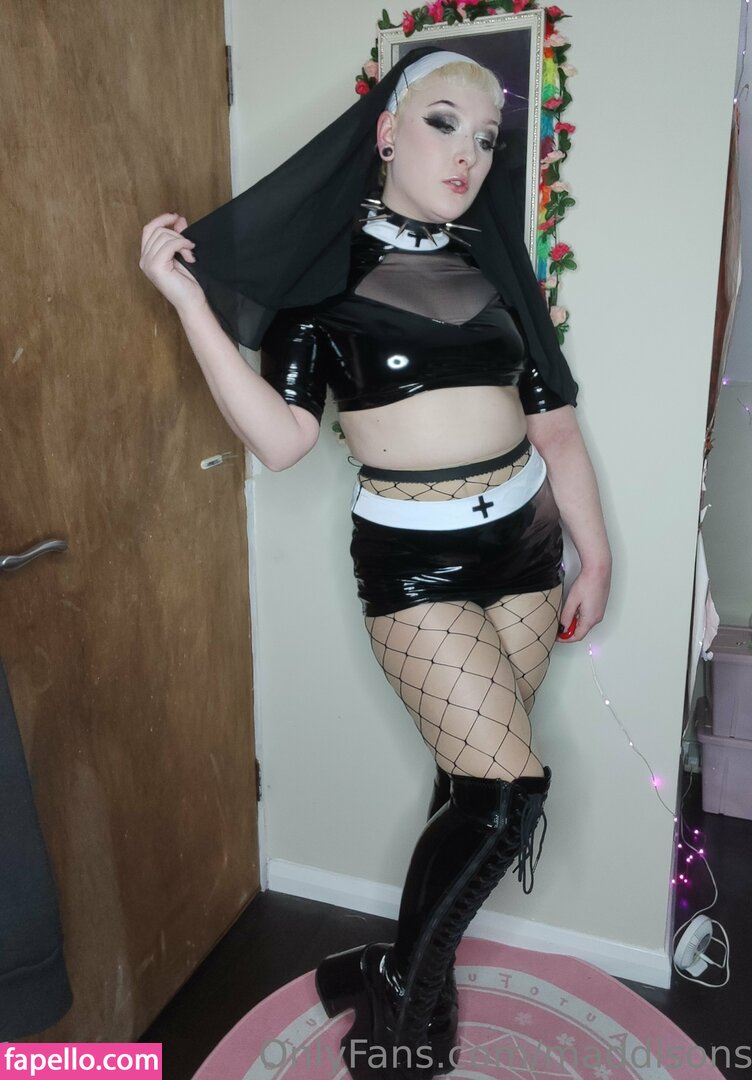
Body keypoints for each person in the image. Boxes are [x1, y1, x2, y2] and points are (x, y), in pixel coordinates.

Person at [140, 46, 610, 1080]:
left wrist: (596, 552)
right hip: (415, 563)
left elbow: (556, 425)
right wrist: (189, 308)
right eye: (442, 123)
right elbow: (283, 441)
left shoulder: (495, 268)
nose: (467, 154)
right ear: (388, 132)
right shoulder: (323, 275)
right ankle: (401, 996)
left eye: (484, 137)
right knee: (505, 795)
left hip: (528, 546)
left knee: (464, 782)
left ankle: (399, 983)